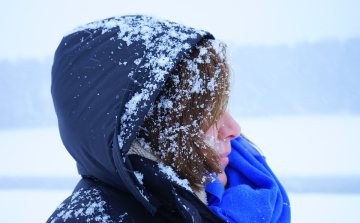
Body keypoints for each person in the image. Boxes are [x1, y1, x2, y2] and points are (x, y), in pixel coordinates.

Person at [47, 15, 290, 223]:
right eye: (208, 115)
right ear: (150, 128)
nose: (233, 129)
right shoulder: (92, 218)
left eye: (223, 107)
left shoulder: (242, 191)